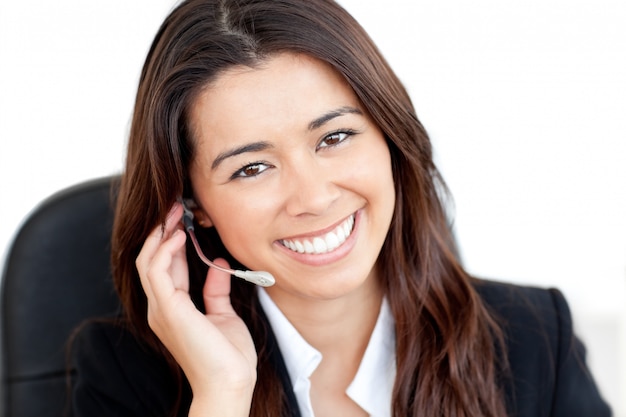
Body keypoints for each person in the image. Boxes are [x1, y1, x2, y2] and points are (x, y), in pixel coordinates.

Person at [70, 0, 612, 416]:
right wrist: (221, 395)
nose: (314, 198)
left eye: (334, 138)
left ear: (389, 137)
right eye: (251, 167)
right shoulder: (126, 374)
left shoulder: (534, 338)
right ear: (193, 207)